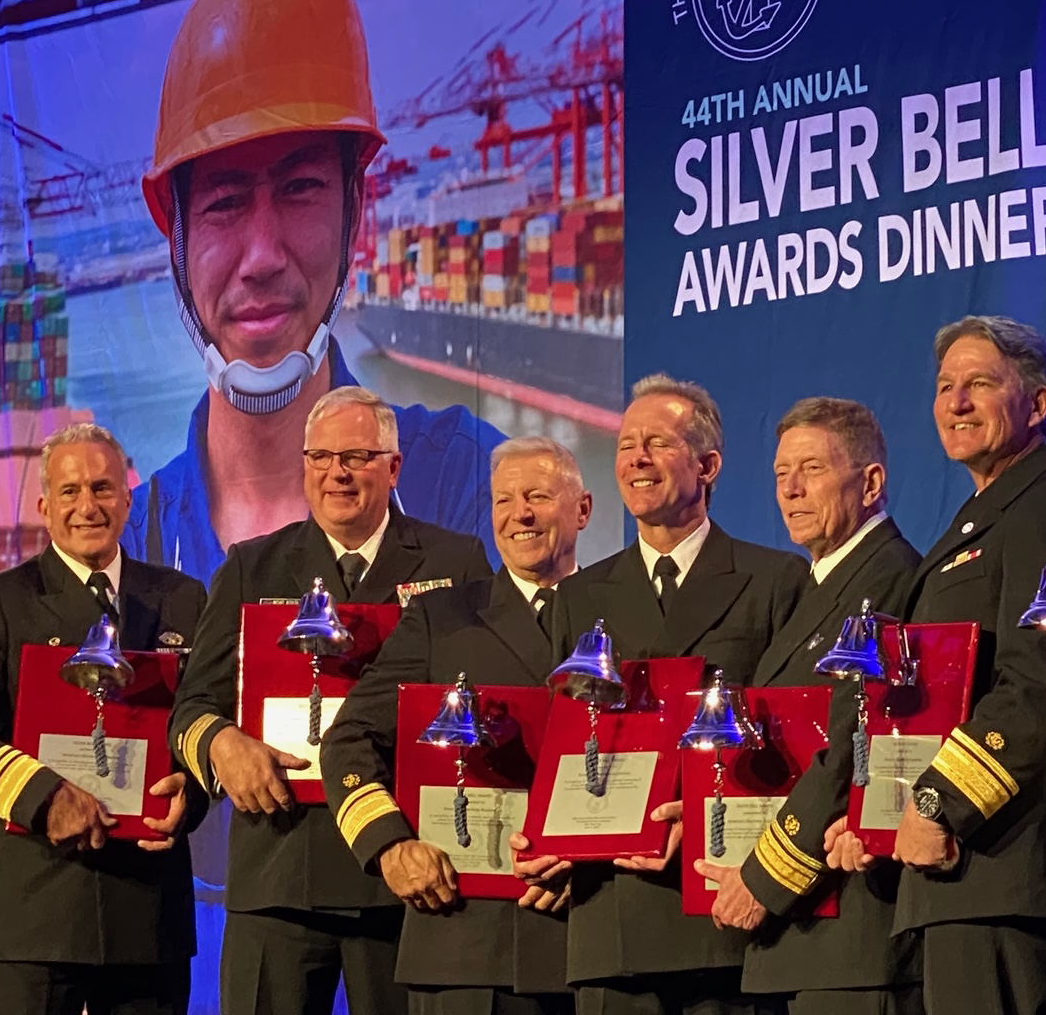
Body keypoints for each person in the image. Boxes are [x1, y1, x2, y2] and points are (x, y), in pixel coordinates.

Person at [126, 0, 502, 584]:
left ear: (355, 204)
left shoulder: (472, 486)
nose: (263, 255)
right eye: (225, 202)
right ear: (172, 227)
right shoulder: (124, 544)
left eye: (301, 189)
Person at [825, 316, 1046, 1015]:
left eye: (981, 384)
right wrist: (877, 815)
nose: (956, 402)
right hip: (958, 867)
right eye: (945, 387)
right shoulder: (977, 520)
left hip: (1008, 862)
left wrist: (937, 804)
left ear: (1038, 404)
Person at [169, 385, 491, 1015]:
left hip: (405, 873)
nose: (336, 473)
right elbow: (192, 705)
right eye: (320, 457)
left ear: (394, 467)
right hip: (279, 868)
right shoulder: (250, 568)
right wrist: (218, 742)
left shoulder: (458, 563)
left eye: (357, 457)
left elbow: (481, 698)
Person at [515, 374, 809, 1015]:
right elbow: (565, 744)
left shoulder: (775, 580)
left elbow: (794, 740)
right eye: (625, 446)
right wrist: (550, 836)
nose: (636, 459)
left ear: (708, 466)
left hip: (723, 911)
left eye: (657, 443)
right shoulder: (579, 597)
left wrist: (701, 817)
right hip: (610, 922)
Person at [0, 423, 206, 1015]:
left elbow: (212, 719)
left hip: (149, 912)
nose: (87, 507)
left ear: (129, 498)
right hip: (38, 913)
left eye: (102, 488)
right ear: (45, 507)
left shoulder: (183, 599)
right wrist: (45, 797)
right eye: (69, 492)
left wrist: (194, 790)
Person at [321, 435, 591, 1014]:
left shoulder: (619, 615)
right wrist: (388, 845)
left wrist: (594, 858)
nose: (519, 514)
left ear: (583, 510)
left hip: (591, 939)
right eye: (503, 500)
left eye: (539, 496)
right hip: (464, 939)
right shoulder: (440, 618)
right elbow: (349, 738)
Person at [700, 396, 923, 1015]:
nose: (791, 490)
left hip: (853, 931)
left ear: (871, 482)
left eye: (813, 470)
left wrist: (766, 875)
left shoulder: (892, 579)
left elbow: (854, 743)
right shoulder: (813, 587)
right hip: (801, 934)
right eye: (780, 475)